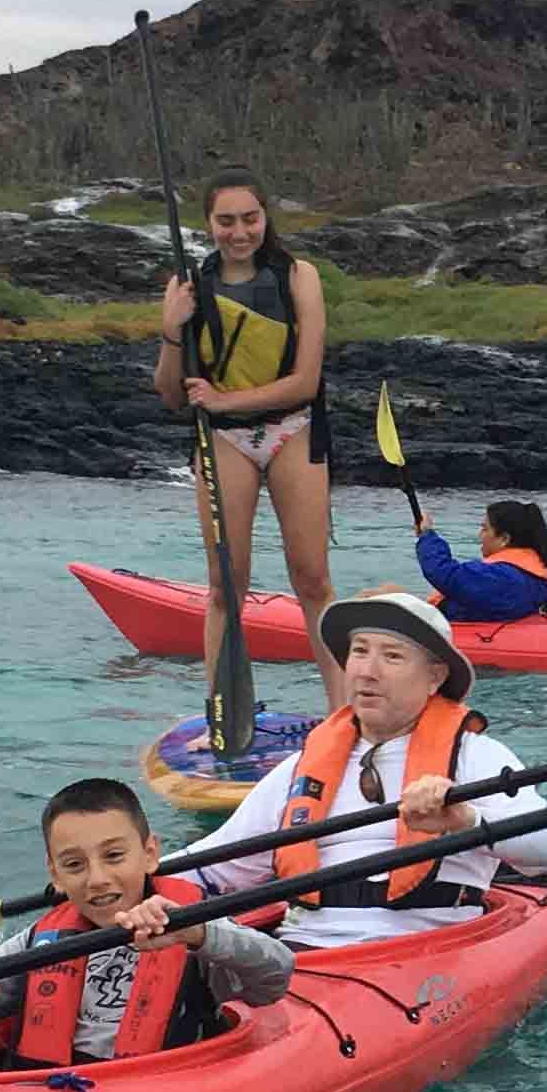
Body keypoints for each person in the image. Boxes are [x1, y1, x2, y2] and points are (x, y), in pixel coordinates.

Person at [184, 592, 547, 950]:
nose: (368, 671)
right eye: (359, 651)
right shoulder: (299, 768)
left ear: (435, 678)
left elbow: (546, 850)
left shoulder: (475, 756)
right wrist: (149, 876)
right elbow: (214, 868)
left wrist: (464, 819)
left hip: (426, 948)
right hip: (302, 952)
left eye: (392, 656)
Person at [0, 777, 292, 1061]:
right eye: (74, 865)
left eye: (114, 856)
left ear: (149, 854)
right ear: (55, 875)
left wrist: (197, 933)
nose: (97, 879)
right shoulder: (41, 939)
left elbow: (273, 978)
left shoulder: (189, 925)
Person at [151, 167, 334, 703]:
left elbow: (305, 382)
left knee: (312, 579)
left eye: (249, 219)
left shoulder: (298, 277)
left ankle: (346, 711)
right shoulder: (188, 285)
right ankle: (223, 709)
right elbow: (170, 394)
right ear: (209, 223)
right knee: (226, 585)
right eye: (226, 221)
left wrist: (224, 399)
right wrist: (171, 328)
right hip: (224, 442)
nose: (239, 232)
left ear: (265, 217)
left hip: (292, 430)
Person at [410, 497, 547, 624]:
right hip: (481, 622)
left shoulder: (501, 578)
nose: (480, 535)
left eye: (485, 529)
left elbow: (444, 573)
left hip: (460, 630)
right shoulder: (533, 573)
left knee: (395, 594)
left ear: (504, 539)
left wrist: (427, 535)